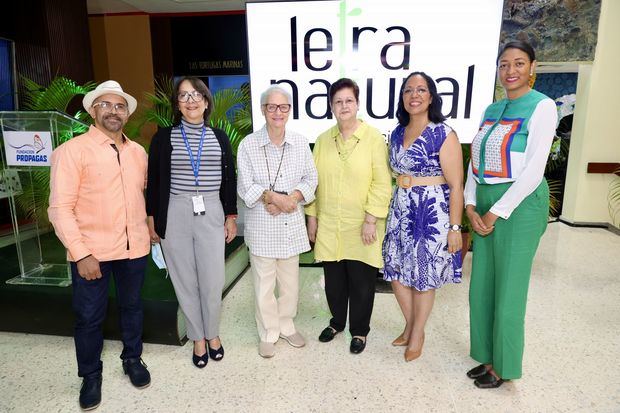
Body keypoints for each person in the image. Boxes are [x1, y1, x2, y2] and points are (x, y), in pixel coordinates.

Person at [48, 80, 151, 410]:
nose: (113, 111)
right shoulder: (71, 152)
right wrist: (81, 253)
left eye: (120, 106)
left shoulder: (138, 153)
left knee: (132, 308)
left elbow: (142, 195)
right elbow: (59, 208)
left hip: (134, 249)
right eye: (105, 105)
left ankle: (132, 359)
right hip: (92, 253)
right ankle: (90, 375)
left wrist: (149, 225)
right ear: (92, 110)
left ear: (127, 115)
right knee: (90, 317)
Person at [464, 40, 558, 388]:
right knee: (482, 287)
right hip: (486, 202)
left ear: (532, 67)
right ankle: (488, 357)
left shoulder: (542, 107)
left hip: (519, 206)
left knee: (509, 290)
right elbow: (476, 161)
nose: (511, 70)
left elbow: (534, 168)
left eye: (519, 63)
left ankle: (504, 367)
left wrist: (496, 212)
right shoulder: (492, 110)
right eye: (505, 64)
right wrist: (472, 205)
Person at [146, 77, 237, 368]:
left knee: (213, 280)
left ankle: (213, 333)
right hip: (175, 211)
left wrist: (231, 216)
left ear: (207, 101)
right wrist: (152, 220)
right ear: (177, 104)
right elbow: (155, 183)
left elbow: (229, 180)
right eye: (184, 96)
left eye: (196, 94)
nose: (191, 100)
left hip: (211, 208)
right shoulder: (162, 138)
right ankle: (198, 337)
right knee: (184, 280)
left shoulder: (219, 137)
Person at [305, 78, 392, 354]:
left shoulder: (373, 139)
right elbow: (313, 182)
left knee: (362, 281)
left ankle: (360, 331)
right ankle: (336, 322)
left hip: (362, 224)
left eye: (349, 101)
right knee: (334, 282)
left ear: (357, 104)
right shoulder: (322, 140)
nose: (344, 106)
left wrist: (370, 220)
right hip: (329, 224)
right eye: (338, 101)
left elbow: (382, 182)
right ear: (331, 106)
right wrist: (312, 217)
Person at [382, 72, 464, 362]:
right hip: (400, 209)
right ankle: (411, 324)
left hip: (430, 214)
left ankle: (417, 334)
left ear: (431, 96)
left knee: (423, 276)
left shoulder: (443, 133)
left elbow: (456, 186)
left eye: (421, 90)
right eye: (408, 90)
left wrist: (455, 227)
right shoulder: (395, 132)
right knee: (395, 271)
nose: (414, 95)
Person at [237, 85, 318, 358]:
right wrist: (272, 198)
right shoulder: (248, 145)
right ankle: (268, 332)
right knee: (263, 285)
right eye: (271, 107)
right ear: (263, 110)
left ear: (290, 111)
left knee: (290, 283)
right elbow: (245, 186)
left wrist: (290, 199)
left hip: (290, 225)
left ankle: (286, 325)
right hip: (262, 226)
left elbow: (311, 180)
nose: (277, 112)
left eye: (283, 107)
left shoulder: (300, 142)